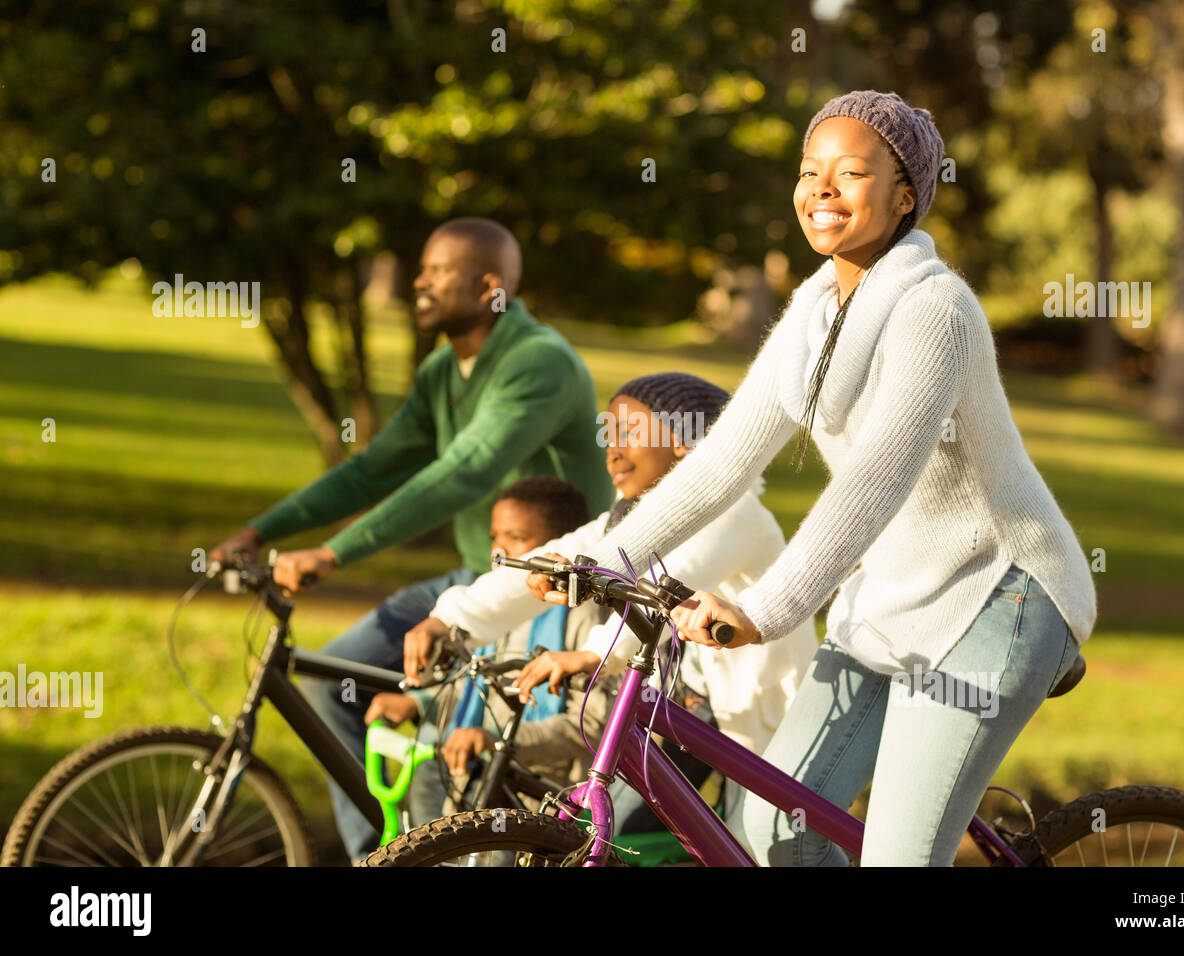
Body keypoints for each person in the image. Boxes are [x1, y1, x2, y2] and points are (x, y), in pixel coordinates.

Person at [524, 91, 1098, 866]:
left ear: (905, 198)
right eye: (808, 171)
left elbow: (876, 478)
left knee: (900, 857)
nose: (821, 189)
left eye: (850, 172)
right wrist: (601, 559)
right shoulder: (813, 311)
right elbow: (725, 461)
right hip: (894, 593)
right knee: (773, 828)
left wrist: (768, 608)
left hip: (1001, 597)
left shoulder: (937, 311)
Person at [210, 217, 611, 861]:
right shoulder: (443, 371)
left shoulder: (539, 362)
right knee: (327, 682)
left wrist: (335, 552)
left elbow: (462, 473)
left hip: (543, 592)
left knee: (444, 731)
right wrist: (263, 530)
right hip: (473, 576)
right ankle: (386, 854)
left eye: (437, 271)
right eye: (420, 269)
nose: (419, 282)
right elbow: (373, 469)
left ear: (489, 288)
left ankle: (447, 852)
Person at [406, 372, 818, 829]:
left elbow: (672, 581)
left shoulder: (736, 512)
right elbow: (554, 556)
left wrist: (593, 653)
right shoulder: (631, 519)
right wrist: (451, 618)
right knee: (608, 828)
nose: (613, 450)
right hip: (686, 708)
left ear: (687, 441)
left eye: (630, 433)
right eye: (609, 437)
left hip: (759, 717)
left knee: (768, 841)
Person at [363, 476, 605, 825]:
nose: (500, 552)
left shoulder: (584, 618)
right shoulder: (493, 611)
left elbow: (593, 724)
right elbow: (472, 685)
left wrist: (498, 741)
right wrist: (419, 702)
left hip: (546, 797)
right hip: (479, 779)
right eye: (496, 538)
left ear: (560, 547)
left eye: (518, 539)